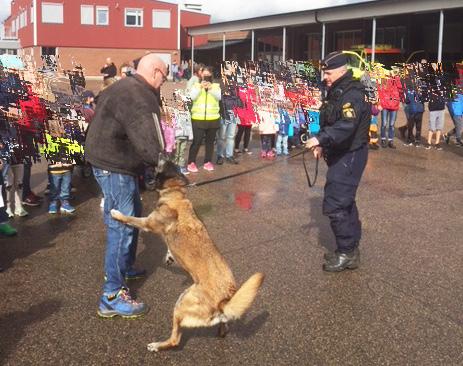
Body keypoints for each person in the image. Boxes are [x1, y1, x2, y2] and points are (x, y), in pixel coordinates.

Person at [85, 54, 167, 318]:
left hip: (109, 159)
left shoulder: (124, 85)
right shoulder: (140, 96)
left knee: (132, 215)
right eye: (164, 76)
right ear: (155, 72)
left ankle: (126, 266)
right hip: (114, 165)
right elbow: (150, 141)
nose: (163, 82)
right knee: (120, 225)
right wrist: (166, 169)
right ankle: (111, 295)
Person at [305, 52, 370, 272]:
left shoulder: (351, 93)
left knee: (336, 204)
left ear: (342, 70)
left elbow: (347, 126)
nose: (325, 77)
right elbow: (332, 119)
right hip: (341, 153)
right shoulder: (337, 90)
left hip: (350, 155)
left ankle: (346, 253)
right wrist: (322, 144)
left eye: (328, 72)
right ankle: (350, 248)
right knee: (345, 202)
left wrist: (320, 138)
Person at [187, 66, 222, 173]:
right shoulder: (196, 85)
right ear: (201, 75)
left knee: (210, 142)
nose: (206, 77)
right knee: (196, 142)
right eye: (204, 74)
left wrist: (210, 89)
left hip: (213, 118)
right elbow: (192, 97)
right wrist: (200, 88)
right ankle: (191, 162)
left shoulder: (216, 86)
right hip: (198, 118)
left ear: (211, 75)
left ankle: (208, 161)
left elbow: (219, 97)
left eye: (208, 75)